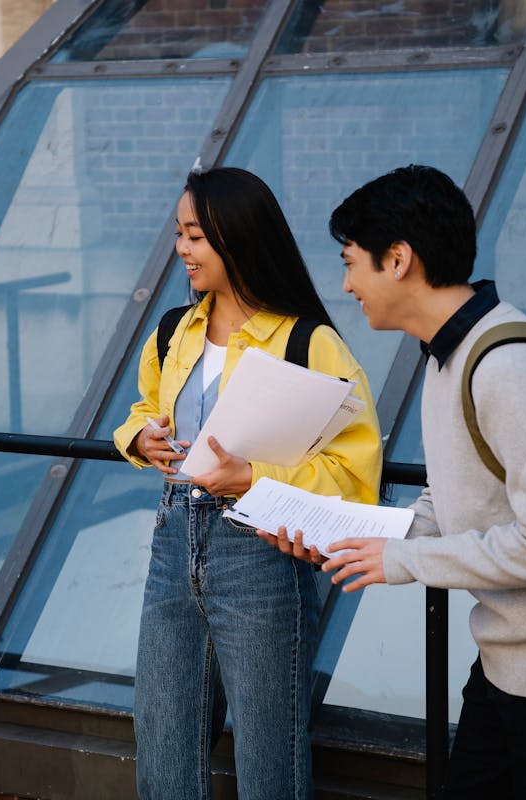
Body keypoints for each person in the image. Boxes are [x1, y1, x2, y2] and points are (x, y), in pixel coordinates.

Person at [282, 164, 526, 799]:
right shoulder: (445, 354)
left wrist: (403, 559)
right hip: (513, 661)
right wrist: (355, 539)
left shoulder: (510, 370)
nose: (346, 285)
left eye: (351, 263)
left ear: (398, 259)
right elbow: (455, 497)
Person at [113, 167, 383, 800]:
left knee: (270, 762)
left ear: (238, 239)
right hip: (172, 543)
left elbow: (355, 474)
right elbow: (143, 408)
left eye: (197, 236)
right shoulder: (174, 330)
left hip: (262, 552)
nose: (182, 248)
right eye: (179, 233)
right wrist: (138, 438)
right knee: (162, 752)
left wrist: (252, 476)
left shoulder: (308, 341)